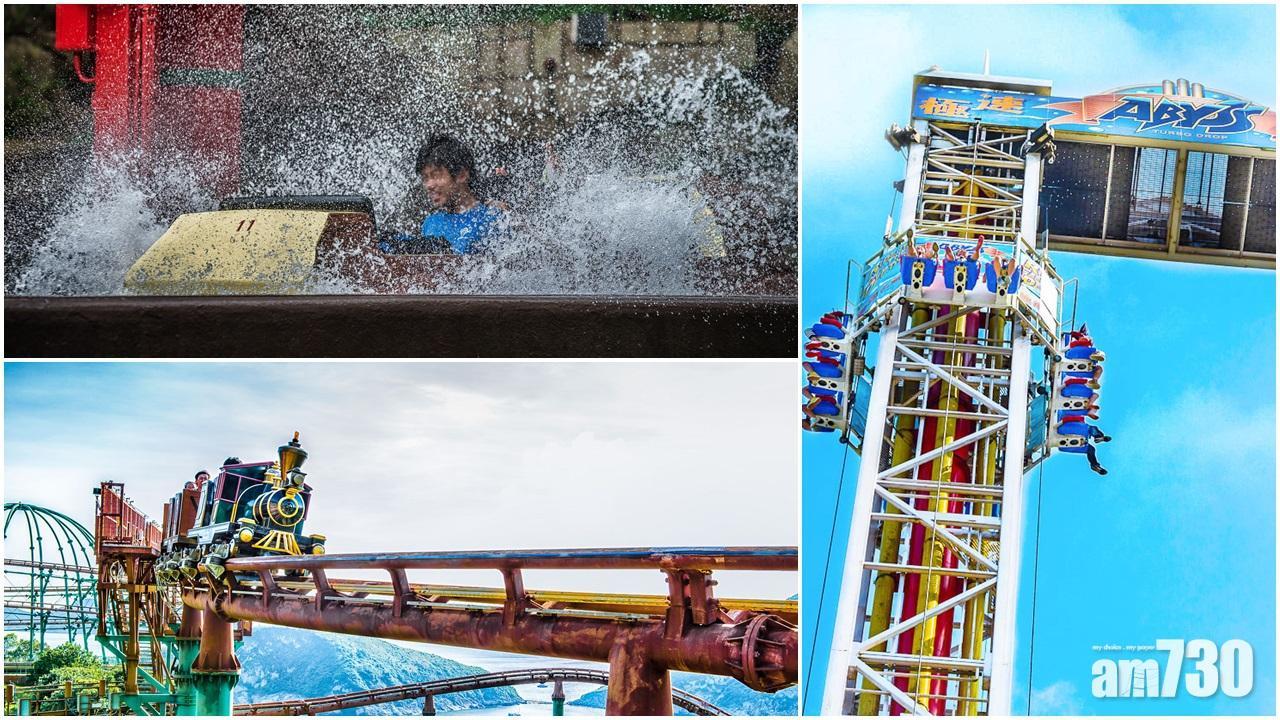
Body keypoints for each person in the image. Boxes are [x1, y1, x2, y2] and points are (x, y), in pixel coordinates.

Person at [386, 134, 507, 255]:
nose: (429, 185)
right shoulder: (431, 222)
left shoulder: (492, 218)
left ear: (461, 175)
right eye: (425, 178)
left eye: (436, 175)